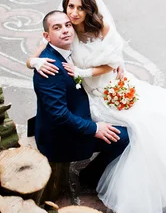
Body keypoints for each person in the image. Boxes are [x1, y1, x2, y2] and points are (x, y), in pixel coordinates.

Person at [28, 0, 166, 213]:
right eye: (70, 7)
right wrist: (34, 62)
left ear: (88, 10)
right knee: (130, 132)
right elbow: (56, 106)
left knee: (149, 117)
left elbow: (111, 56)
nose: (72, 14)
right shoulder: (54, 50)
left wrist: (114, 64)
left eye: (80, 8)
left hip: (104, 86)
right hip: (81, 107)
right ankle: (93, 175)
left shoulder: (81, 28)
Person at [30, 10, 129, 187]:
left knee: (128, 118)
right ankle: (90, 177)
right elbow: (59, 115)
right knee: (123, 137)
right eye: (57, 27)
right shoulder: (49, 69)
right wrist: (95, 128)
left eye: (68, 25)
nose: (65, 30)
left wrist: (117, 62)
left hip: (78, 110)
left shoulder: (66, 48)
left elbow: (103, 49)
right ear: (47, 35)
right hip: (61, 138)